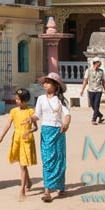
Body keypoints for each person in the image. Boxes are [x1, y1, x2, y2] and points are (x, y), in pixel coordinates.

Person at [27, 72, 71, 202]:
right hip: (46, 131)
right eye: (44, 82)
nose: (45, 84)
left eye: (48, 82)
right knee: (47, 160)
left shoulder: (60, 100)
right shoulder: (41, 99)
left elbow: (67, 114)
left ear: (55, 85)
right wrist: (30, 118)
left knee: (59, 159)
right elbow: (37, 115)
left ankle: (60, 186)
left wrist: (66, 124)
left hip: (58, 131)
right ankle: (47, 191)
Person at [0, 88, 37, 200]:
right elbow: (8, 125)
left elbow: (35, 127)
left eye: (18, 100)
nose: (16, 101)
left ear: (25, 101)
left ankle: (22, 189)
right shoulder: (13, 111)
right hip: (16, 139)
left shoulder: (31, 112)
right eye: (16, 99)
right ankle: (29, 182)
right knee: (21, 163)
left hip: (26, 140)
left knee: (23, 165)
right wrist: (1, 137)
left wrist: (29, 131)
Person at [80, 58, 105, 124]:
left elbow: (103, 81)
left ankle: (94, 119)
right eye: (99, 62)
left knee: (96, 104)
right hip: (91, 90)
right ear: (96, 63)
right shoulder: (88, 70)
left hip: (99, 89)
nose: (100, 63)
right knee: (92, 104)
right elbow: (85, 80)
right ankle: (100, 115)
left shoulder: (101, 71)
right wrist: (82, 89)